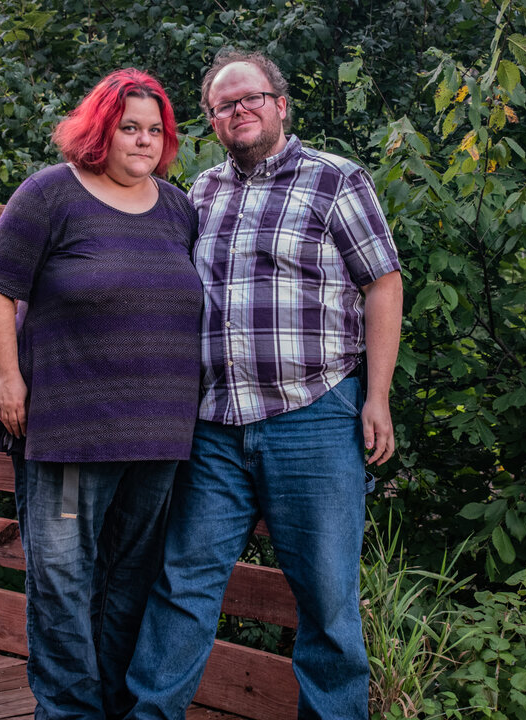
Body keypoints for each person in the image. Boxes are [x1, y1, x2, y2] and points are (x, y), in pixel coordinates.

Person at [124, 50, 403, 720]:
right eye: (223, 105)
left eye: (251, 98)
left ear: (281, 104)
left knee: (327, 598)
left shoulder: (336, 180)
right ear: (211, 122)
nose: (238, 111)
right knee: (183, 585)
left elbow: (383, 282)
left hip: (313, 414)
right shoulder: (200, 194)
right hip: (216, 423)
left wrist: (377, 397)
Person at [0, 68, 202, 720]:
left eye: (155, 130)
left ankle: (112, 706)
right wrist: (8, 377)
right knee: (66, 582)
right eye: (130, 127)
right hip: (70, 434)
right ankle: (68, 713)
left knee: (130, 581)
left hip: (157, 438)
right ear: (101, 129)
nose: (144, 141)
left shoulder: (177, 207)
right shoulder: (52, 194)